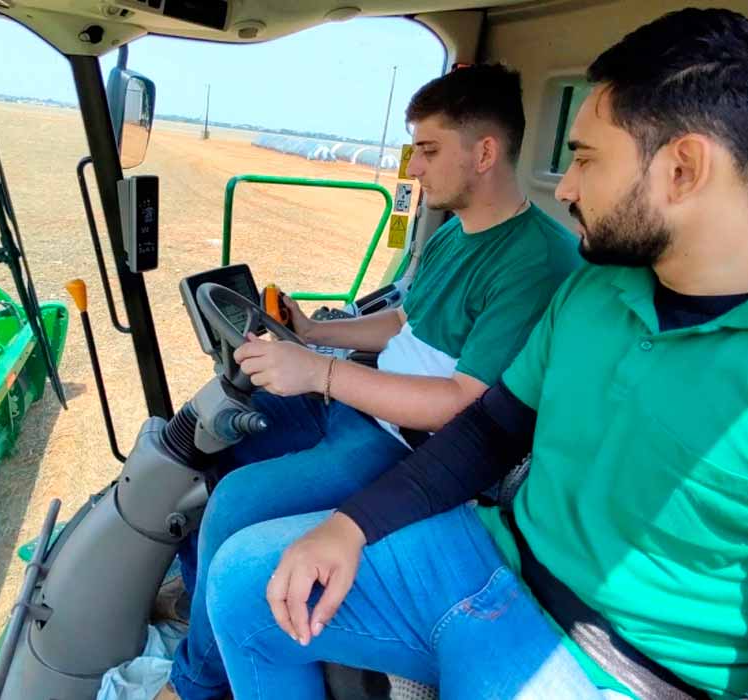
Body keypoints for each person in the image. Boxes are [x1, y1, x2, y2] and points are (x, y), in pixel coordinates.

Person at [205, 8, 748, 699]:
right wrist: (351, 525)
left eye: (585, 159)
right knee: (244, 582)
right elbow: (489, 430)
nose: (565, 188)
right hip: (489, 555)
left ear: (684, 169)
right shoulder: (597, 290)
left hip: (624, 665)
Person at [167, 64, 582, 700]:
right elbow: (405, 325)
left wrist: (321, 373)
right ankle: (199, 607)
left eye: (429, 149)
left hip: (407, 445)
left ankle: (196, 682)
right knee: (216, 440)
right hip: (361, 402)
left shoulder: (537, 260)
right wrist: (312, 332)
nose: (413, 168)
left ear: (485, 153)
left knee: (238, 503)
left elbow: (463, 409)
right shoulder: (453, 236)